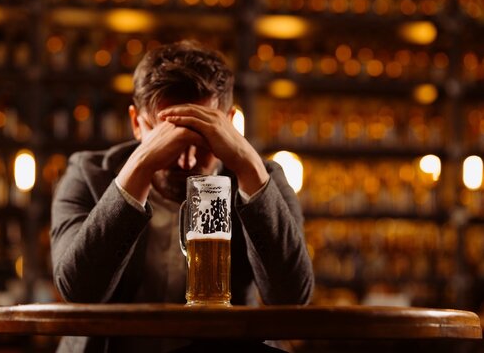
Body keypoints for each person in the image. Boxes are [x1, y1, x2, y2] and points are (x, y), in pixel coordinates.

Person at [50, 40, 314, 352]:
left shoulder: (259, 177)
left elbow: (291, 300)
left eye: (202, 137)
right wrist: (141, 167)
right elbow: (78, 292)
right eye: (169, 136)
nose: (185, 161)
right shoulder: (88, 174)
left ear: (229, 122)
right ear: (136, 123)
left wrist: (247, 163)